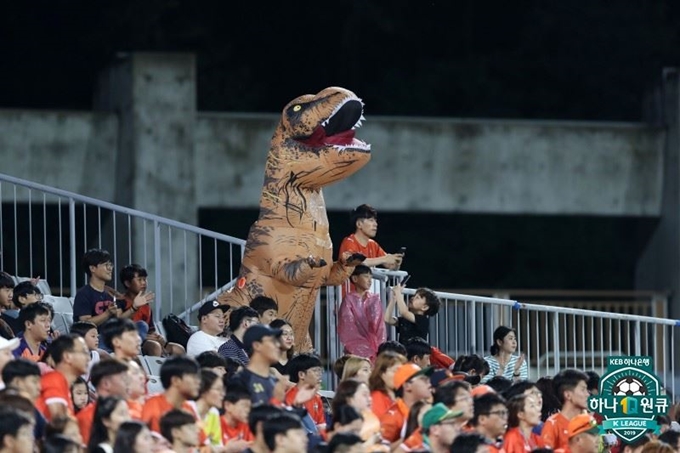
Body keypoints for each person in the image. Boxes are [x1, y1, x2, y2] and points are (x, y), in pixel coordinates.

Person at [118, 264, 179, 357]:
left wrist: (158, 337)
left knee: (178, 349)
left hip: (145, 340)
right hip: (127, 340)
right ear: (127, 283)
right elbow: (118, 323)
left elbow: (150, 330)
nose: (143, 283)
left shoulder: (146, 305)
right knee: (155, 347)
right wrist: (134, 307)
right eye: (139, 280)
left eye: (145, 279)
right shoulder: (120, 302)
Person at [36, 334, 91, 421]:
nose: (88, 358)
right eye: (84, 352)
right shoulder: (53, 383)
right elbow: (59, 427)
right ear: (67, 357)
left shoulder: (62, 384)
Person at [338, 265, 386, 361]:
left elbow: (380, 325)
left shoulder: (375, 299)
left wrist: (381, 345)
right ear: (355, 278)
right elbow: (347, 325)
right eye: (366, 276)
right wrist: (358, 347)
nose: (370, 280)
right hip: (355, 349)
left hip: (375, 346)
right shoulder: (349, 299)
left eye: (371, 277)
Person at [141, 355, 201, 433]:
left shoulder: (189, 408)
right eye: (193, 377)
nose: (198, 382)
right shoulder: (151, 405)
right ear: (175, 380)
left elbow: (201, 441)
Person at [76, 359, 130, 445]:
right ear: (106, 384)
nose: (128, 383)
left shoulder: (128, 408)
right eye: (124, 379)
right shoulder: (86, 417)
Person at [380, 363, 433, 445]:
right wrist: (410, 438)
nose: (429, 384)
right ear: (407, 386)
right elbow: (381, 449)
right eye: (423, 380)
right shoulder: (392, 416)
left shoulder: (430, 408)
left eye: (428, 380)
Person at [338, 204, 403, 270]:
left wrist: (396, 263)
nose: (376, 224)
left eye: (375, 220)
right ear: (359, 224)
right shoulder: (349, 242)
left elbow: (391, 266)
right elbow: (358, 262)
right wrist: (385, 259)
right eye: (371, 220)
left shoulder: (373, 244)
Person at [541, 369, 590, 452]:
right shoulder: (552, 425)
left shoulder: (588, 421)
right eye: (583, 389)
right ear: (568, 395)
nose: (587, 394)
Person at [2, 358, 47, 439]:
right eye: (34, 381)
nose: (39, 387)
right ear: (17, 382)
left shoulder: (33, 410)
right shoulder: (4, 409)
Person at [285, 353, 326, 433]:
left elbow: (321, 426)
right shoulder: (289, 398)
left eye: (320, 370)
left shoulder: (317, 398)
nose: (319, 375)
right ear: (301, 375)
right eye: (315, 371)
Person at [331, 379, 380, 444]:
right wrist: (370, 442)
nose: (370, 399)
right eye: (364, 395)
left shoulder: (372, 420)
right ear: (349, 399)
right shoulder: (341, 424)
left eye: (369, 395)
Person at [369, 351, 407, 418]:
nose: (400, 375)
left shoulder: (399, 396)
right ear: (382, 373)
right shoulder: (376, 398)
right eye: (395, 371)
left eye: (402, 371)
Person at [194, 369, 225, 447]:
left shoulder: (214, 413)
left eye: (223, 390)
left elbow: (217, 444)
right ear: (203, 390)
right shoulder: (187, 411)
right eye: (218, 389)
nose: (223, 394)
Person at [220, 384, 254, 450]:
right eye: (244, 405)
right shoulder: (216, 423)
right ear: (228, 405)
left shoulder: (247, 426)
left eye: (249, 407)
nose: (248, 410)